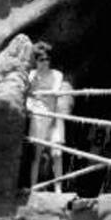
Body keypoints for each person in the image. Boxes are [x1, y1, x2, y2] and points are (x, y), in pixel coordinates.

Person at [26, 43, 73, 193]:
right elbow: (27, 95)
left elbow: (55, 91)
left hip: (54, 115)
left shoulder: (57, 74)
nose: (45, 62)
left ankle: (58, 189)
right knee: (37, 154)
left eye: (47, 59)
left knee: (57, 154)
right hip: (38, 115)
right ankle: (34, 187)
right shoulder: (31, 75)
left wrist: (38, 94)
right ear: (36, 60)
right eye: (41, 59)